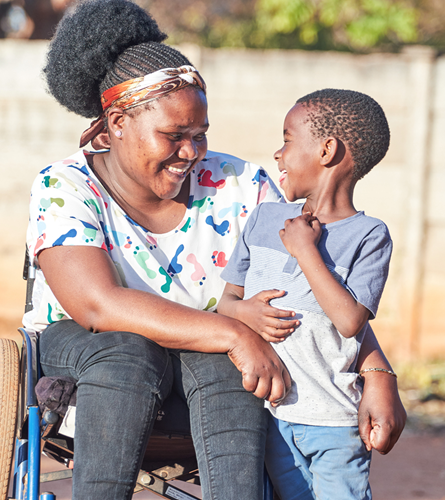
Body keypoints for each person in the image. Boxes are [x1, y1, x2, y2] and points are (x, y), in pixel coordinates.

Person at [23, 0, 405, 498]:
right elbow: (97, 305)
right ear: (117, 121)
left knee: (227, 366)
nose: (191, 153)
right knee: (127, 352)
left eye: (200, 135)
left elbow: (312, 285)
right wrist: (233, 333)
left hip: (212, 356)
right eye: (173, 135)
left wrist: (376, 368)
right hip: (88, 349)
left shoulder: (240, 186)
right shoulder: (65, 187)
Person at [219, 89, 398, 499]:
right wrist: (246, 313)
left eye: (286, 140)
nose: (278, 155)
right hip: (270, 417)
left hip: (335, 421)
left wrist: (305, 251)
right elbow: (225, 303)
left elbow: (351, 320)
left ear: (327, 149)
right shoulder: (263, 219)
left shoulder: (369, 236)